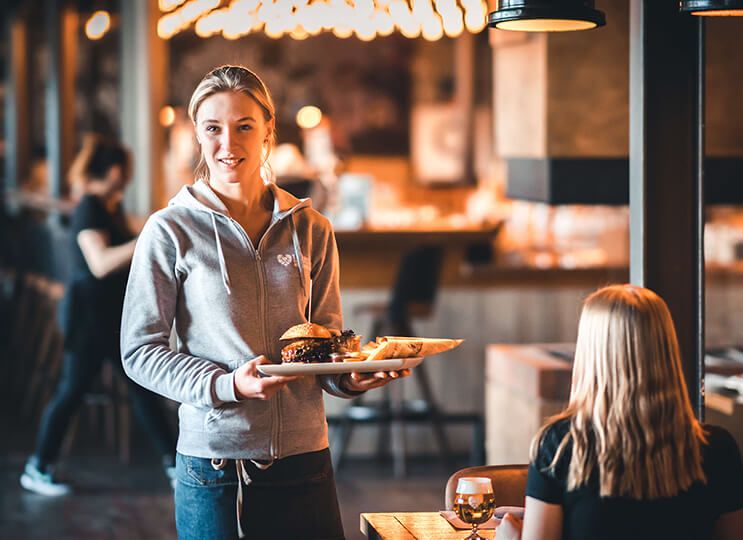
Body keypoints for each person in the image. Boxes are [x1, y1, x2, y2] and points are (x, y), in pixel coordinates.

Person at [119, 65, 411, 540]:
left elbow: (325, 343)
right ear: (197, 134)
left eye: (244, 126)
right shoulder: (169, 230)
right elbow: (139, 351)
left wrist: (350, 377)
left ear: (269, 131)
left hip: (305, 459)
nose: (228, 144)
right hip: (217, 464)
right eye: (213, 128)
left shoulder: (312, 228)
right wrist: (227, 384)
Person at [496, 284, 743, 540]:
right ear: (665, 349)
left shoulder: (561, 445)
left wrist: (511, 536)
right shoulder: (718, 449)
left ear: (591, 352)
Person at [20, 134, 177, 496]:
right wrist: (146, 239)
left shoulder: (107, 206)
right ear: (115, 170)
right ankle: (38, 466)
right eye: (126, 170)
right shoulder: (90, 206)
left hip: (109, 316)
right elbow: (100, 263)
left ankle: (173, 462)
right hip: (90, 318)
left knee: (141, 388)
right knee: (74, 390)